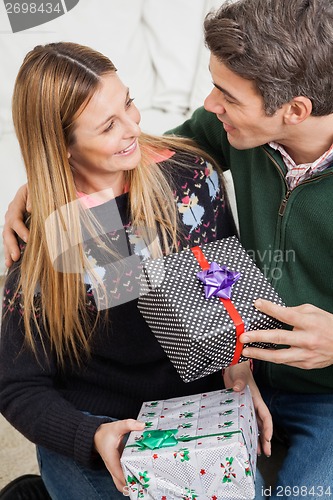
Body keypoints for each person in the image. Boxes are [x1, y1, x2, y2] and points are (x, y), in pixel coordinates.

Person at [0, 42, 271, 500]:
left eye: (128, 102)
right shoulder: (46, 236)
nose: (135, 127)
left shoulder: (188, 176)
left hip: (199, 414)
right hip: (97, 423)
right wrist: (90, 437)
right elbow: (18, 383)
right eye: (108, 126)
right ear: (61, 147)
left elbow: (225, 293)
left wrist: (240, 365)